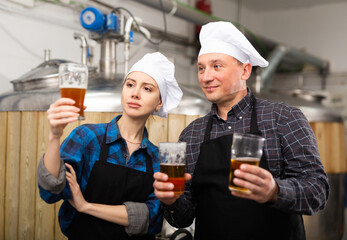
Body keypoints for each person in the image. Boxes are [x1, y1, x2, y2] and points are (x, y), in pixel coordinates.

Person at [153, 21, 329, 240]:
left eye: (217, 66)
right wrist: (172, 200)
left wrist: (275, 191)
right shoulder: (192, 133)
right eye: (201, 68)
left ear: (245, 70)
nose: (206, 77)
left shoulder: (283, 118)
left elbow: (317, 191)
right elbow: (184, 217)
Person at [37, 52, 183, 239]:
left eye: (147, 89)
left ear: (159, 103)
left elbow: (149, 218)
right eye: (130, 84)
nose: (135, 93)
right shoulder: (88, 137)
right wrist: (54, 136)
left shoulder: (157, 158)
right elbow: (51, 190)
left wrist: (86, 206)